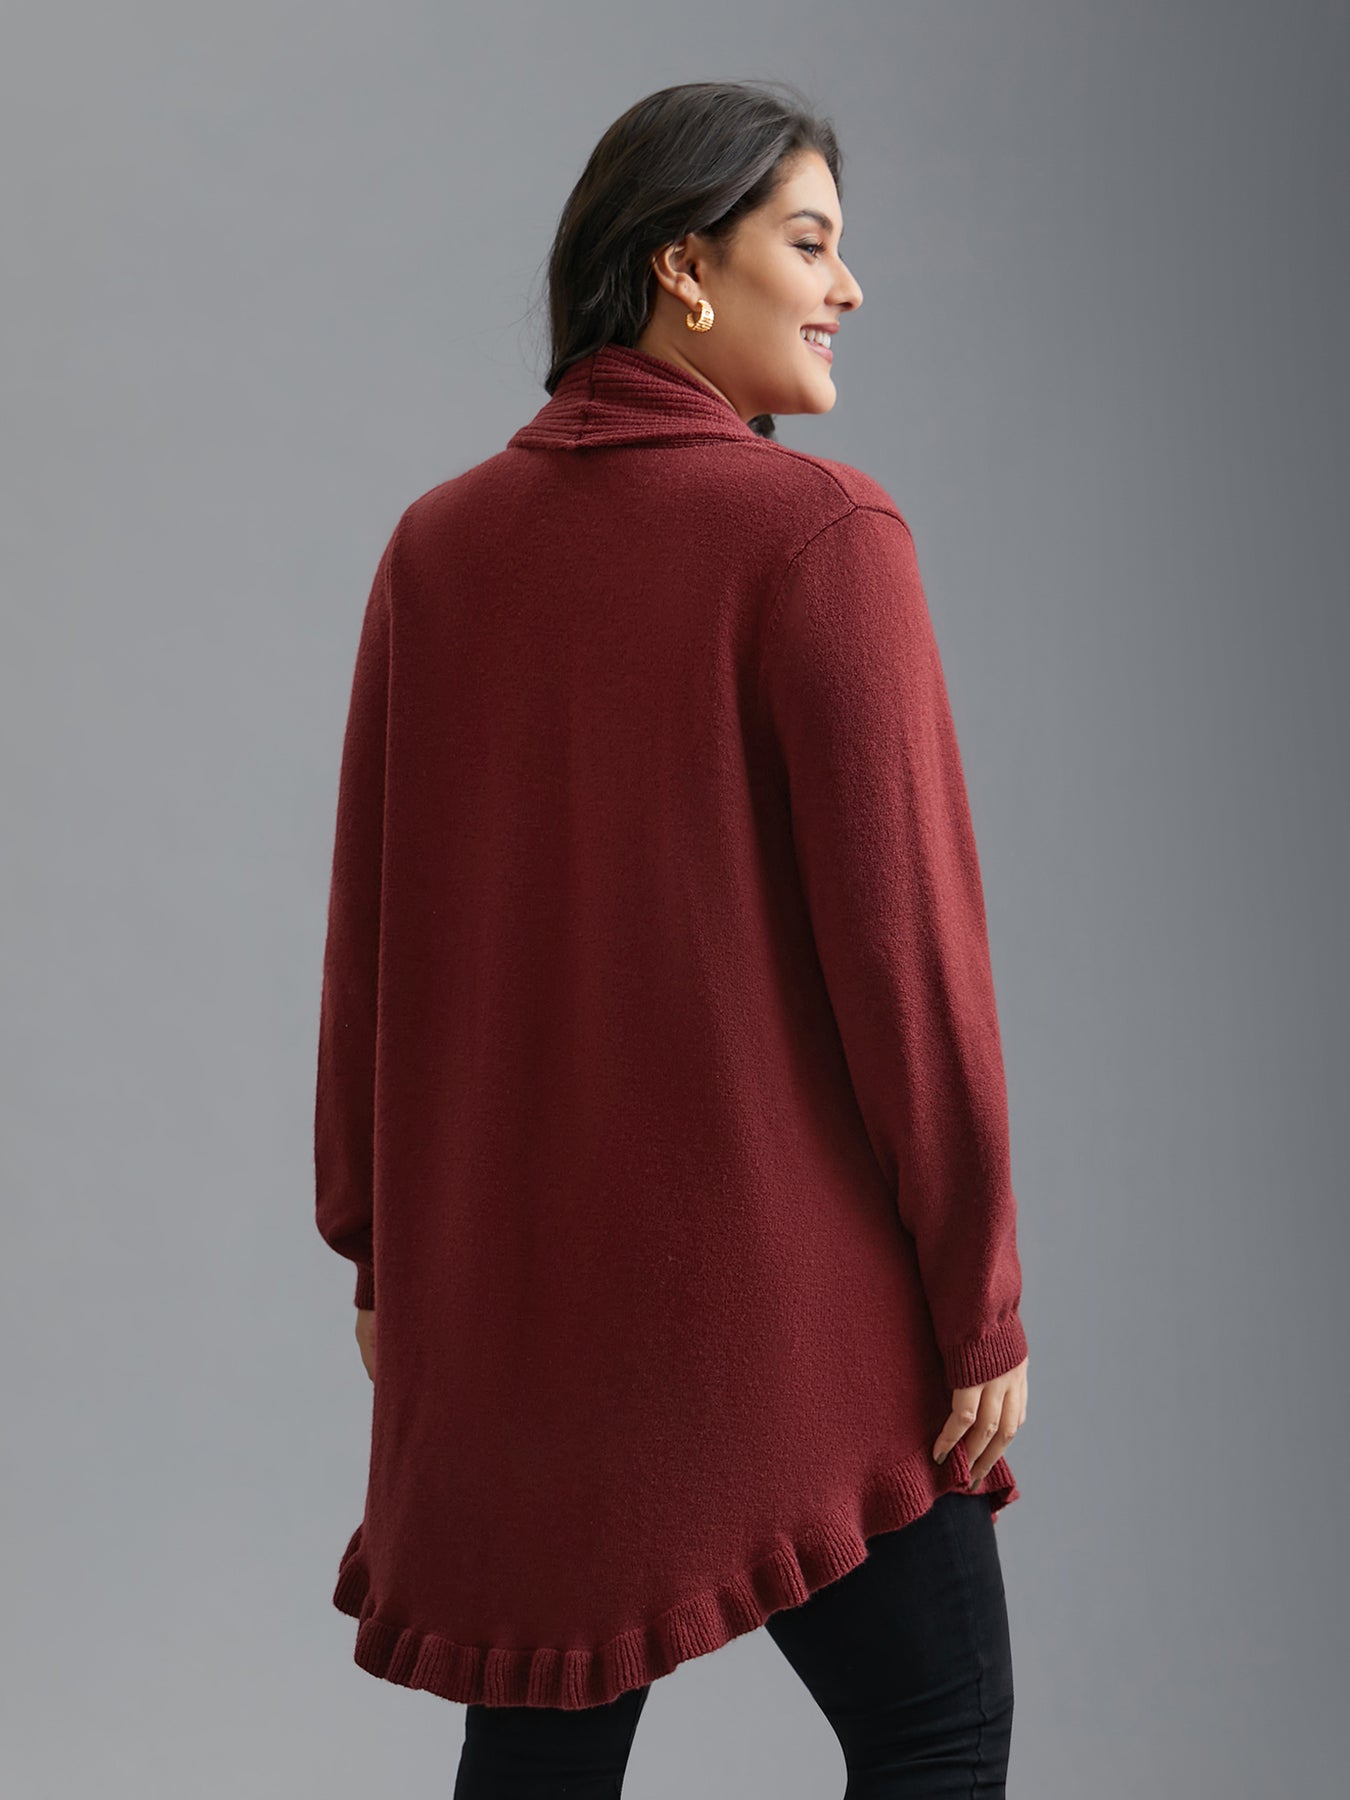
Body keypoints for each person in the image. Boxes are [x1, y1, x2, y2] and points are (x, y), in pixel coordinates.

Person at [314, 78, 1029, 1798]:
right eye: (810, 241)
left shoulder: (437, 549)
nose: (846, 286)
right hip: (777, 1327)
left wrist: (383, 1252)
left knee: (537, 1754)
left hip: (513, 1320)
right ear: (682, 269)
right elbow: (910, 969)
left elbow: (371, 949)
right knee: (933, 1734)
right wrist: (979, 1296)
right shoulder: (820, 536)